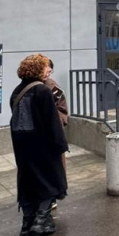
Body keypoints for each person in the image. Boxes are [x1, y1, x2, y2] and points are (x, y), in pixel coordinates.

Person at [9, 53, 68, 236]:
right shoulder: (42, 91)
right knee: (50, 181)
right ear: (38, 69)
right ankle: (41, 221)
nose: (49, 71)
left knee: (28, 183)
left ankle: (27, 224)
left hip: (22, 147)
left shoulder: (17, 91)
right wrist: (61, 145)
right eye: (46, 67)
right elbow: (52, 121)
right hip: (43, 145)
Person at [44, 59, 68, 213]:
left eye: (49, 71)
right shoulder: (30, 86)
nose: (47, 74)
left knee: (52, 166)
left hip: (51, 134)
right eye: (45, 70)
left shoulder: (51, 86)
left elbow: (62, 107)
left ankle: (52, 197)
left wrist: (56, 121)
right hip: (36, 136)